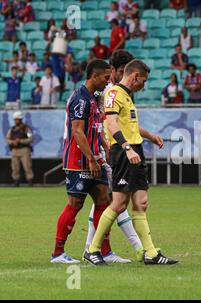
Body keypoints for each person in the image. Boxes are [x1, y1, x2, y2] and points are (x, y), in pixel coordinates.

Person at [84, 59, 178, 266]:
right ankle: (92, 250)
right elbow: (111, 123)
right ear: (135, 76)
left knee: (141, 203)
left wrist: (150, 136)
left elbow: (130, 126)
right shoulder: (114, 93)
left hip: (135, 150)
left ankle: (151, 253)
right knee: (118, 204)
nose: (143, 85)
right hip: (123, 152)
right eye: (143, 81)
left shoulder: (126, 96)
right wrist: (126, 147)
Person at [83, 49, 145, 264]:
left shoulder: (120, 90)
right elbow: (105, 122)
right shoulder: (109, 90)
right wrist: (109, 146)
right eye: (123, 71)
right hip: (109, 149)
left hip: (110, 148)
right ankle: (137, 247)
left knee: (106, 199)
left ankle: (92, 248)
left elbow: (128, 123)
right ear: (117, 70)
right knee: (114, 200)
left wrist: (149, 135)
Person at [50, 60, 112, 263]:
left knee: (104, 200)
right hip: (79, 160)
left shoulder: (94, 98)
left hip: (95, 158)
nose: (108, 81)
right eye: (105, 77)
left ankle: (102, 250)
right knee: (75, 203)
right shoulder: (81, 99)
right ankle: (58, 253)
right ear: (95, 76)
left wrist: (104, 148)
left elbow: (95, 128)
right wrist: (91, 159)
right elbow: (77, 131)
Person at [6, 111, 33, 187]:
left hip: (24, 150)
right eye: (15, 119)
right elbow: (7, 139)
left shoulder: (26, 128)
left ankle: (30, 180)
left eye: (17, 119)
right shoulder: (12, 129)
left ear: (21, 119)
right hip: (15, 150)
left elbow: (30, 139)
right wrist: (12, 142)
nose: (16, 121)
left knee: (27, 166)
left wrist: (21, 141)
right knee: (15, 167)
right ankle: (16, 181)